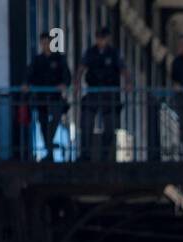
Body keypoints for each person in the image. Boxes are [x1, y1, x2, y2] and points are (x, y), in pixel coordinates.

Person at [75, 26, 130, 163]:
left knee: (110, 126)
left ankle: (106, 154)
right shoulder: (91, 52)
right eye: (98, 37)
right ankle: (85, 154)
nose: (100, 40)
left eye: (103, 38)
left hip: (109, 93)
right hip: (93, 91)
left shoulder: (114, 53)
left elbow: (123, 69)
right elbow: (81, 68)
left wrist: (128, 82)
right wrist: (77, 83)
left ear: (107, 38)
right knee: (86, 122)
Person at [22, 32, 71, 161]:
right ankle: (49, 150)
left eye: (47, 43)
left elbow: (66, 76)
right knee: (43, 123)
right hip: (41, 98)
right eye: (42, 43)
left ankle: (49, 144)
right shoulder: (37, 60)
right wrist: (26, 84)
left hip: (55, 97)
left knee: (55, 119)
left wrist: (64, 84)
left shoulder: (59, 59)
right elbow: (29, 74)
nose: (45, 46)